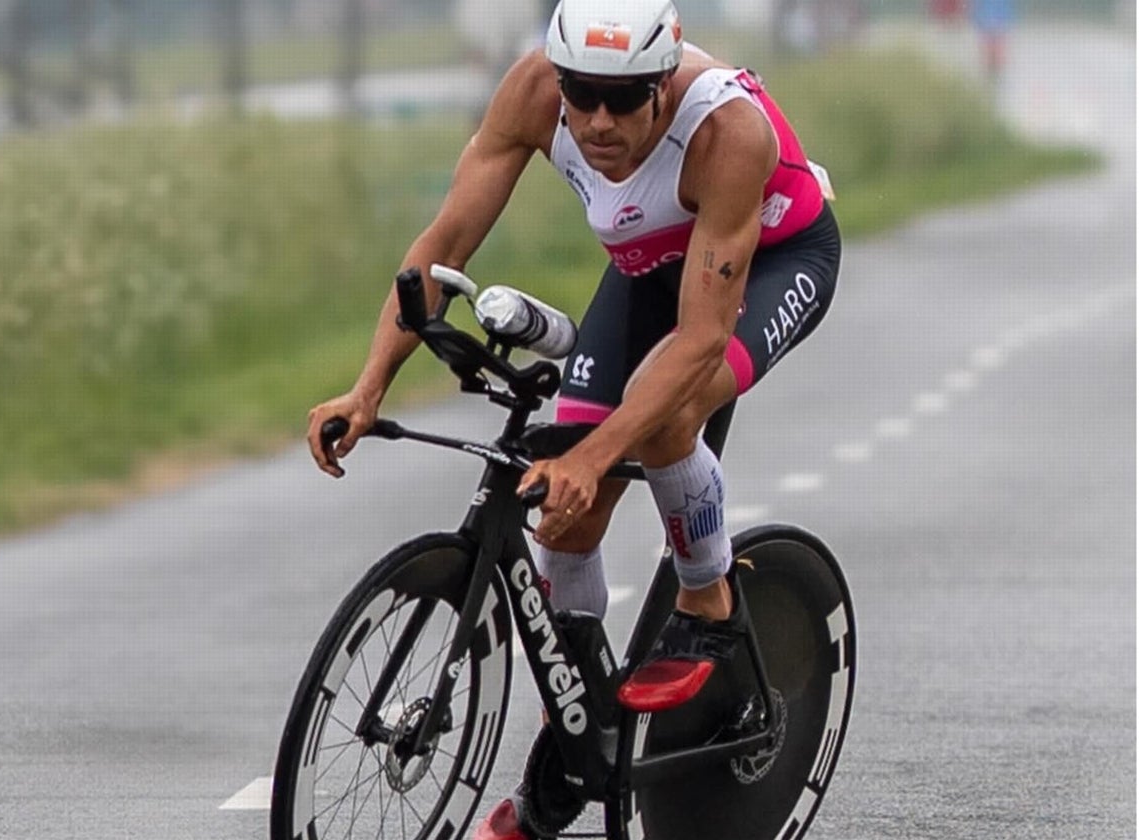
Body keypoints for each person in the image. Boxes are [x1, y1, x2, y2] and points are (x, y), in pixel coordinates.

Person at [306, 0, 841, 835]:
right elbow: (443, 244)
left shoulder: (728, 135)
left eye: (625, 99)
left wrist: (597, 453)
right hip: (651, 267)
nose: (597, 120)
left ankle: (711, 601)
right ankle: (575, 746)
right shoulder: (530, 95)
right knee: (566, 519)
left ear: (664, 85)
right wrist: (368, 386)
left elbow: (700, 341)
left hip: (771, 261)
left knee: (662, 419)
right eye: (581, 93)